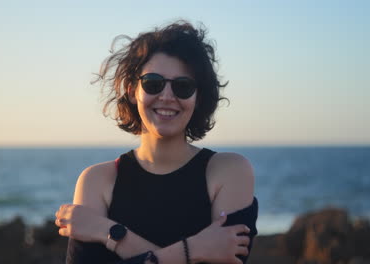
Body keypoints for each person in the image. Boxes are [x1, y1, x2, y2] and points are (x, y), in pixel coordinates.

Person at [55, 20, 258, 264]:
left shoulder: (229, 171)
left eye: (183, 86)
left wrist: (108, 233)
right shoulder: (97, 181)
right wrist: (196, 249)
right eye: (153, 83)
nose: (167, 96)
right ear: (132, 91)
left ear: (198, 96)